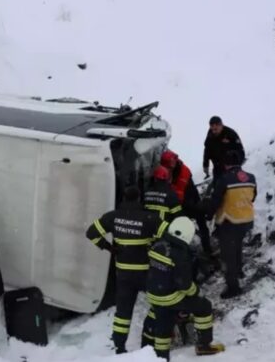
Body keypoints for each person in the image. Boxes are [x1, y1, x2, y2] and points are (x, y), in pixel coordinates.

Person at [86, 186, 165, 354]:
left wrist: (109, 248)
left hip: (123, 274)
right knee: (159, 304)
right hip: (146, 273)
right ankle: (149, 340)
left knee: (122, 313)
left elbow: (91, 233)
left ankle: (119, 347)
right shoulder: (149, 218)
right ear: (138, 199)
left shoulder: (113, 217)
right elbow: (170, 236)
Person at [146, 217, 226, 360]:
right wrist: (196, 292)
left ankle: (160, 357)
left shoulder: (159, 245)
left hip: (154, 294)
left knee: (163, 327)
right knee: (204, 306)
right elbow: (184, 285)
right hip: (171, 297)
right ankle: (204, 346)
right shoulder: (181, 255)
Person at [206, 150, 257, 299]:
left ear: (226, 164)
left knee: (228, 254)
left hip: (229, 221)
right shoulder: (251, 177)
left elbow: (216, 201)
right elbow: (253, 197)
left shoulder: (224, 179)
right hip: (246, 220)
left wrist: (208, 214)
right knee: (237, 245)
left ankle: (233, 287)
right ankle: (239, 270)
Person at [160, 150, 212, 256]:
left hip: (189, 200)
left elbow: (178, 195)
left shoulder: (183, 173)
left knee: (199, 221)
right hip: (180, 200)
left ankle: (206, 250)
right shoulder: (167, 167)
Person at [203, 116, 245, 180]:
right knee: (218, 186)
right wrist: (205, 165)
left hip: (233, 166)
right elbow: (207, 151)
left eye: (216, 128)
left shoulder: (230, 133)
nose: (214, 131)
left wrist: (237, 164)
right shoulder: (210, 137)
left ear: (221, 125)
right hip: (218, 167)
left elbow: (240, 150)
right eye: (212, 129)